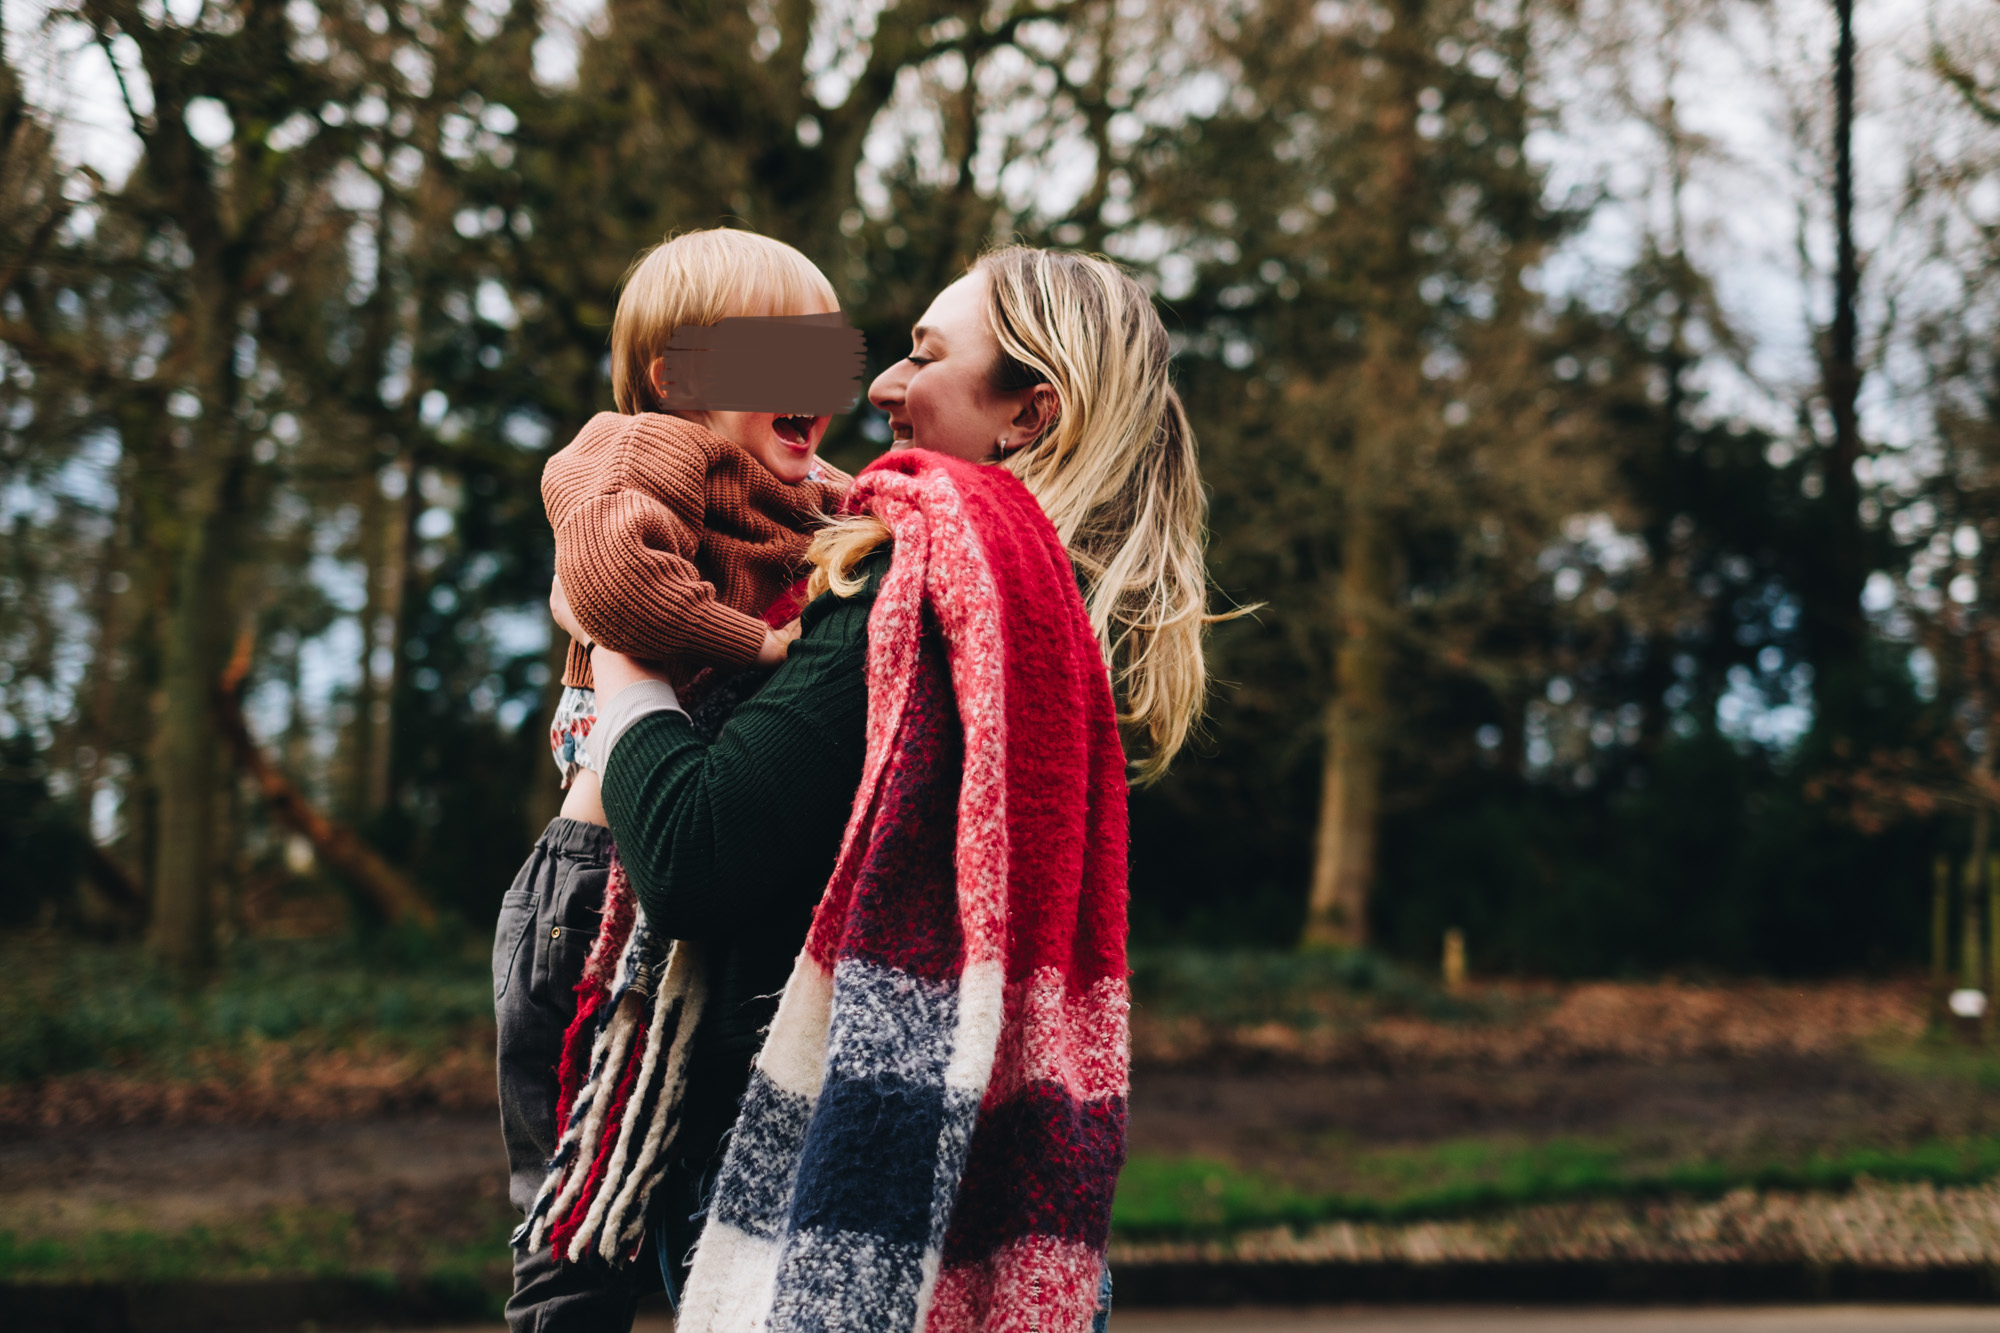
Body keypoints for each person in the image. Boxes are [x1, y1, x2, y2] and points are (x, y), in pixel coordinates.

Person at [562, 246, 1213, 1330]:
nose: (879, 387)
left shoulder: (913, 599)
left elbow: (689, 853)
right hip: (979, 1198)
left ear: (1028, 413)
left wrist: (617, 647)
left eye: (924, 355)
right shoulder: (1057, 613)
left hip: (815, 1192)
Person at [493, 226, 852, 1333]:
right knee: (576, 1217)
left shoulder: (804, 491)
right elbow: (612, 583)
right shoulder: (639, 448)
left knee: (684, 1195)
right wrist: (763, 646)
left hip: (676, 882)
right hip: (589, 888)